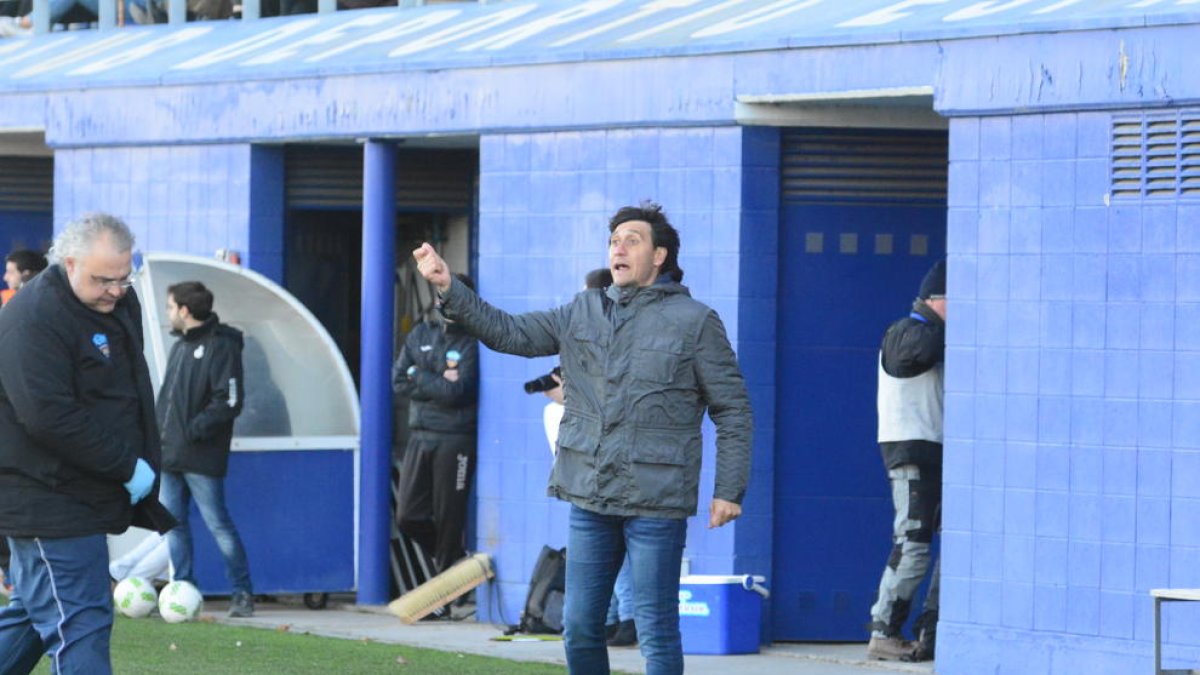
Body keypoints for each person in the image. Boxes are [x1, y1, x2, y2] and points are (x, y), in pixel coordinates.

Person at [413, 201, 753, 675]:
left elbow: (732, 408)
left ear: (660, 256)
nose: (618, 247)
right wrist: (449, 287)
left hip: (656, 498)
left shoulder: (695, 321)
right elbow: (509, 332)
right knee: (580, 625)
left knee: (655, 625)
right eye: (613, 240)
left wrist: (728, 490)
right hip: (590, 494)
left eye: (631, 239)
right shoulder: (582, 310)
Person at [0, 212, 175, 674]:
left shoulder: (118, 303)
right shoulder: (32, 319)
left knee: (39, 613)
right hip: (44, 495)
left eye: (124, 277)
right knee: (80, 621)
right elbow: (49, 417)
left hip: (81, 491)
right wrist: (126, 465)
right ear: (68, 262)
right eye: (104, 280)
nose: (116, 290)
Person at [538, 267, 637, 648]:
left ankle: (628, 619)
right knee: (601, 554)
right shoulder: (584, 337)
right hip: (585, 475)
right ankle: (611, 619)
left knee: (620, 553)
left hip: (613, 469)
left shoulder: (617, 339)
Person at [156, 281, 254, 618]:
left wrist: (193, 430)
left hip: (199, 455)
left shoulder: (221, 346)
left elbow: (229, 400)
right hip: (169, 453)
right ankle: (183, 589)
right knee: (172, 524)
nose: (168, 314)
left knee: (218, 524)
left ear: (185, 310)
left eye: (170, 307)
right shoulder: (180, 346)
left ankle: (242, 593)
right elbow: (167, 400)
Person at [867, 260, 947, 663]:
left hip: (933, 450)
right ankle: (884, 630)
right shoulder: (908, 331)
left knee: (933, 544)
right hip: (913, 450)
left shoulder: (926, 332)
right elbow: (907, 357)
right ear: (937, 300)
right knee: (913, 543)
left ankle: (924, 629)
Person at [391, 272, 480, 586]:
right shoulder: (421, 334)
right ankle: (452, 561)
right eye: (441, 292)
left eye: (451, 293)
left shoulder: (471, 341)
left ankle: (447, 587)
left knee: (449, 517)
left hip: (455, 440)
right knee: (408, 516)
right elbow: (399, 380)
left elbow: (459, 393)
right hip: (420, 435)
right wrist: (437, 381)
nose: (443, 299)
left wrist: (421, 375)